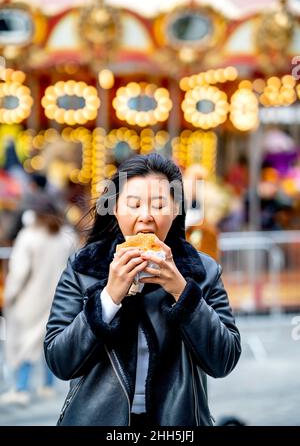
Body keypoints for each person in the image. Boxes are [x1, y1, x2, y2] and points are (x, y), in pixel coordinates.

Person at [44, 153, 241, 426]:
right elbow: (59, 361)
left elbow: (224, 360)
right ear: (114, 208)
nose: (146, 216)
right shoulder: (83, 269)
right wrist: (109, 298)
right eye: (133, 204)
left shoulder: (202, 272)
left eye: (159, 205)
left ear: (176, 210)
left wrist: (182, 292)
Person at [0, 196, 78, 405]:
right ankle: (47, 386)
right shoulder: (65, 236)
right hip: (60, 298)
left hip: (30, 299)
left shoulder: (29, 236)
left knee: (26, 343)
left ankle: (21, 389)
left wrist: (9, 296)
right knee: (51, 340)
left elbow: (19, 273)